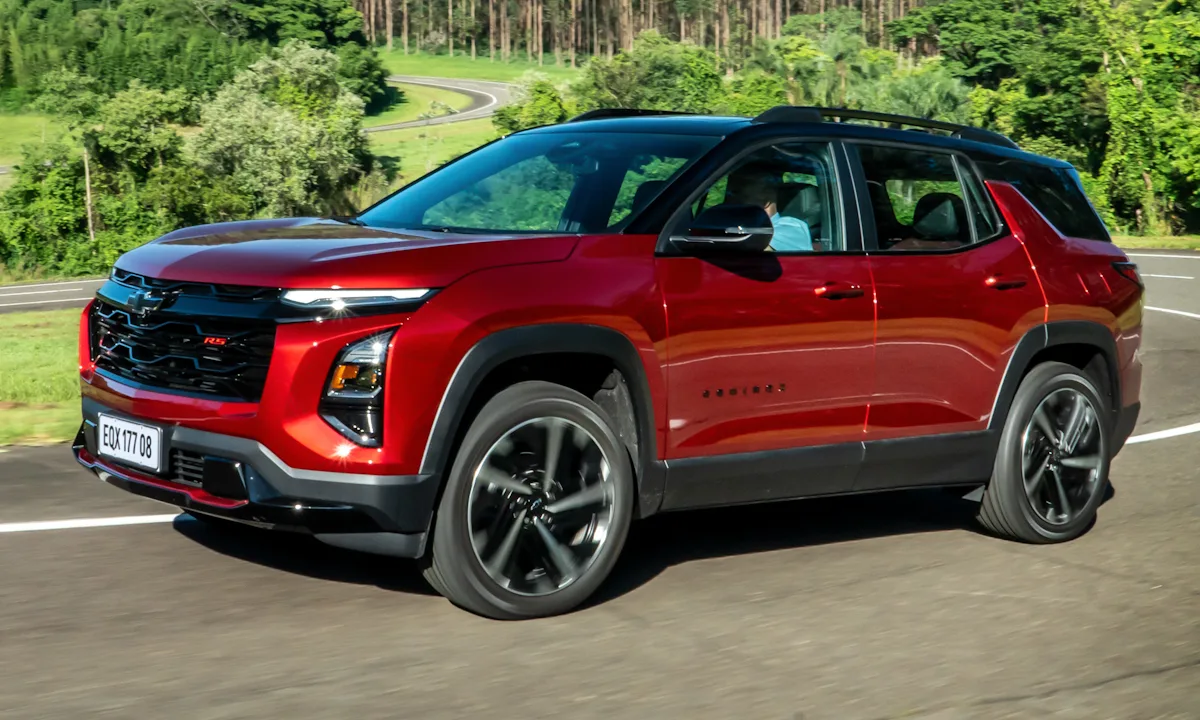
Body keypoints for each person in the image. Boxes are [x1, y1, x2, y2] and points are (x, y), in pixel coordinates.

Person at [726, 163, 813, 252]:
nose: (730, 200)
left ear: (766, 194)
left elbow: (756, 250)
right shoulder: (739, 228)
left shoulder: (792, 227)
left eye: (737, 192)